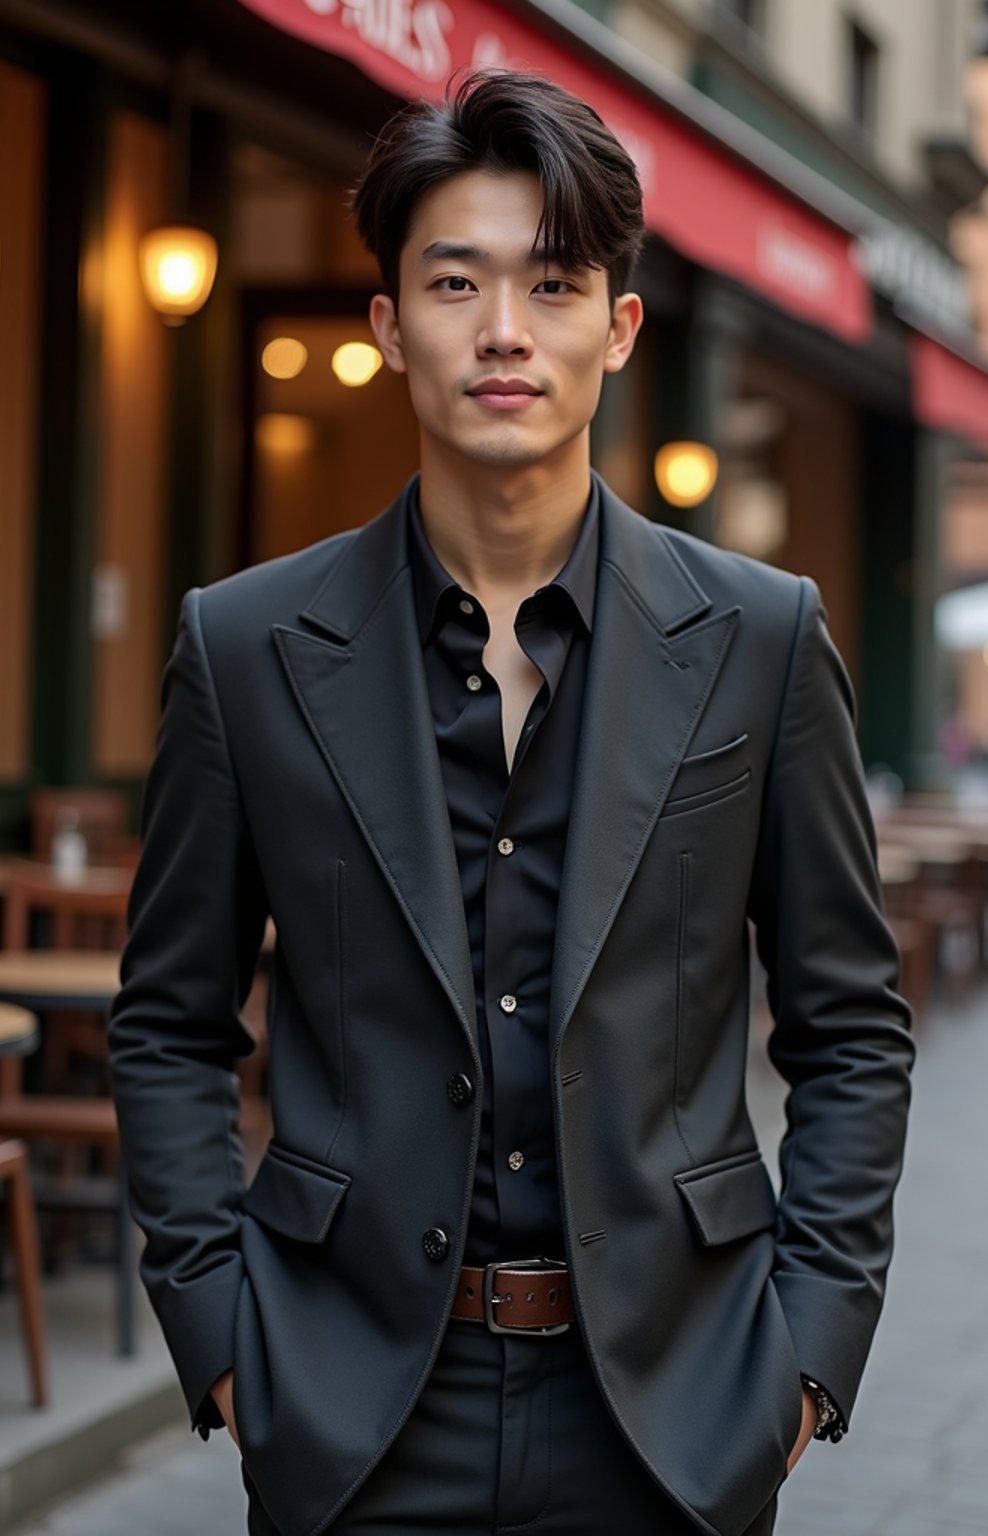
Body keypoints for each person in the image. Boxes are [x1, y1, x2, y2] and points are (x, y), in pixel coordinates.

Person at [108, 67, 914, 1536]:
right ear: (388, 326)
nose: (501, 333)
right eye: (455, 282)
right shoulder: (242, 647)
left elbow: (852, 1028)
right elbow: (168, 1021)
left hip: (674, 1414)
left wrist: (802, 1366)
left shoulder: (763, 638)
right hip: (348, 1417)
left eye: (550, 286)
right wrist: (223, 1348)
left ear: (615, 331)